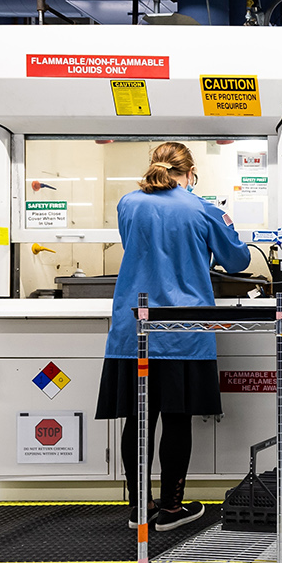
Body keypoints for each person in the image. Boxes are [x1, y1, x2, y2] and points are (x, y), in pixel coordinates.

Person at [97, 142, 250, 531]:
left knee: (138, 418)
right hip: (183, 331)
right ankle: (171, 509)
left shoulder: (128, 204)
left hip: (134, 330)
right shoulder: (202, 208)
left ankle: (139, 508)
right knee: (177, 419)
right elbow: (238, 261)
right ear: (190, 172)